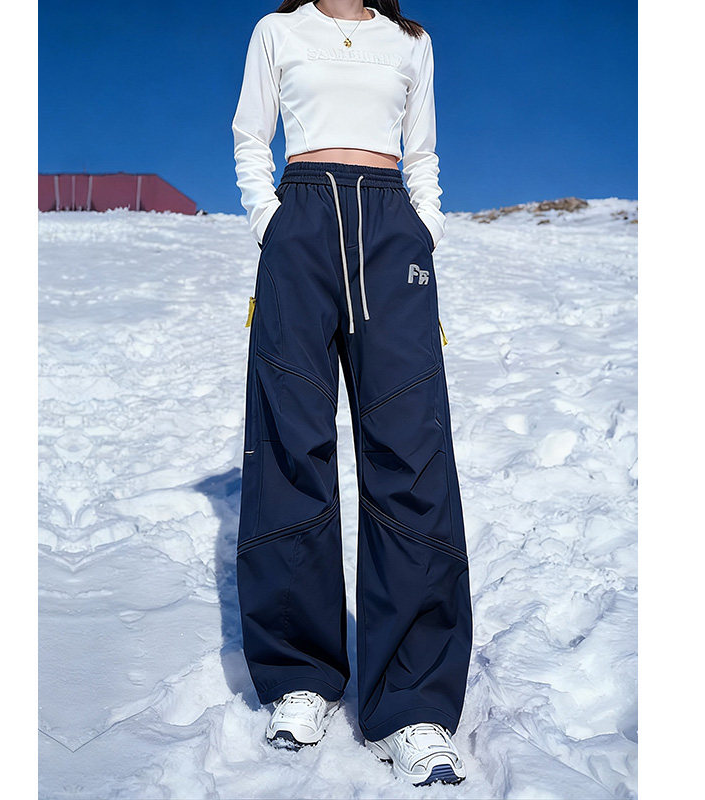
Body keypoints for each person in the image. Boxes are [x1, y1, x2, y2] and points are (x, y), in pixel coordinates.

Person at [231, 0, 472, 787]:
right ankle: (301, 676)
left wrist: (423, 226)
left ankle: (413, 704)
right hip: (297, 226)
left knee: (410, 454)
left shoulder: (409, 42)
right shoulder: (277, 31)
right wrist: (269, 222)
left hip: (391, 230)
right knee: (290, 446)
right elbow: (249, 134)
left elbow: (423, 150)